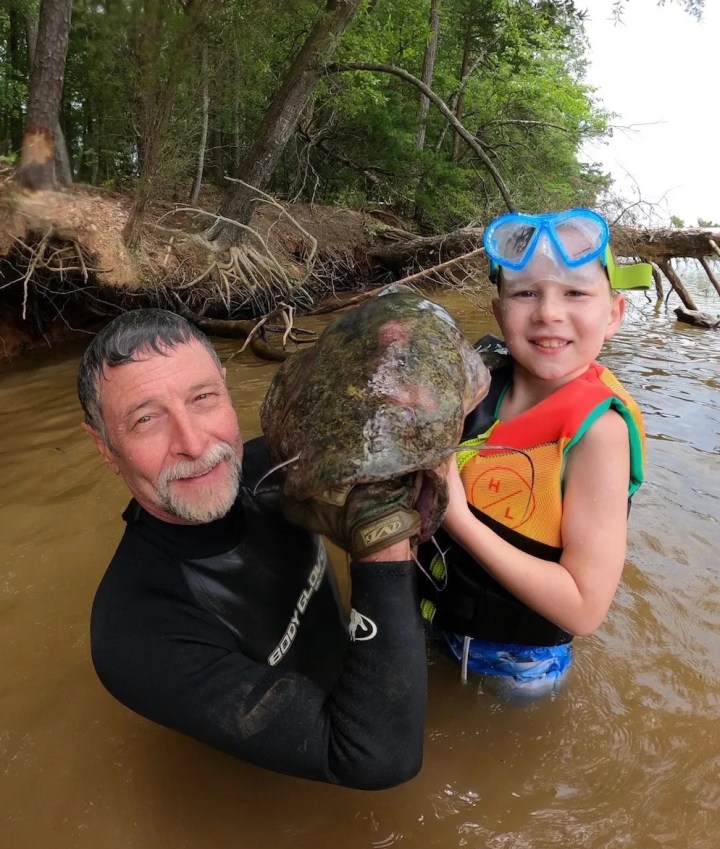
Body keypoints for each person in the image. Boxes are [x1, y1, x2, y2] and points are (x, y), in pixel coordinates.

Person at [77, 308, 427, 789]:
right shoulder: (136, 632)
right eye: (145, 419)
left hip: (359, 668)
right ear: (104, 446)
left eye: (202, 398)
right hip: (281, 773)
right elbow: (376, 758)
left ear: (226, 386)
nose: (194, 444)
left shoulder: (277, 466)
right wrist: (381, 529)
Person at [418, 208, 653, 699]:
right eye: (526, 293)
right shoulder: (474, 389)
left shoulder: (598, 435)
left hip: (515, 667)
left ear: (613, 313)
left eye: (575, 292)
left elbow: (584, 609)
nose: (548, 312)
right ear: (499, 310)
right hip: (430, 618)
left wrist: (457, 517)